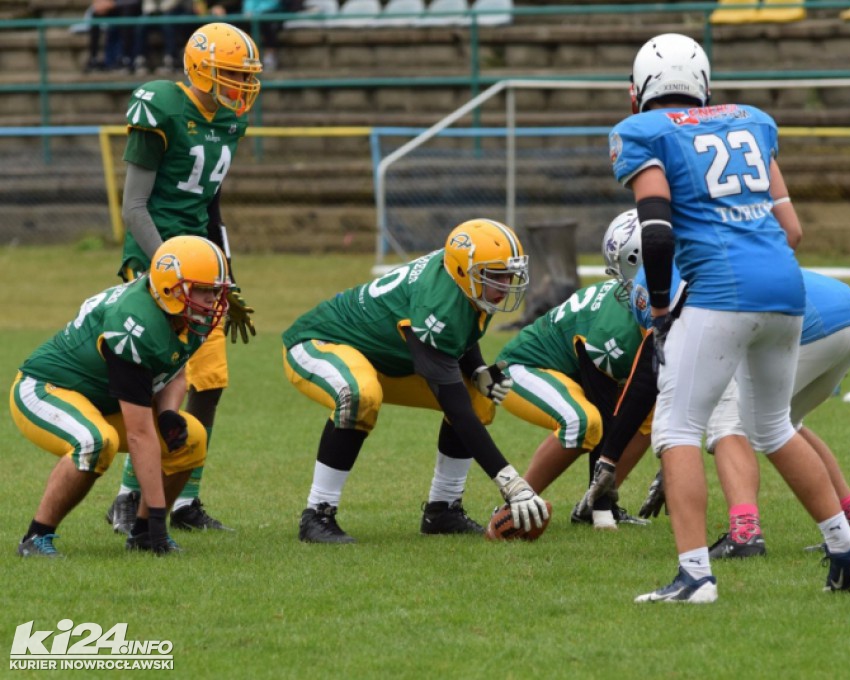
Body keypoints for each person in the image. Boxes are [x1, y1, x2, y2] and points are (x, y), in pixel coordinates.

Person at [609, 33, 850, 602]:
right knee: (774, 426)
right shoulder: (752, 121)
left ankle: (695, 575)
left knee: (677, 429)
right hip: (785, 286)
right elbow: (793, 231)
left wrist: (661, 306)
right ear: (703, 85)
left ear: (638, 92)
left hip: (721, 291)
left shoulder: (643, 132)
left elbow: (655, 232)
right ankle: (845, 549)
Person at [582, 230, 850, 557]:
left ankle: (745, 533)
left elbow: (649, 378)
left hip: (805, 322)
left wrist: (629, 459)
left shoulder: (658, 277)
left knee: (727, 426)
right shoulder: (714, 248)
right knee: (787, 425)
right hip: (848, 313)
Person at [283, 218, 549, 543]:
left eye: (510, 274)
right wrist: (511, 482)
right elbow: (455, 407)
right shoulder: (436, 301)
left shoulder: (465, 278)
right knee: (359, 395)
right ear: (464, 272)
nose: (507, 284)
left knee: (479, 398)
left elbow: (461, 330)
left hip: (383, 357)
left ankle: (443, 511)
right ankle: (317, 514)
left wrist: (478, 369)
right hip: (319, 342)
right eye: (497, 276)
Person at [105, 22, 263, 537]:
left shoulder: (229, 123)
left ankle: (185, 498)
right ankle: (130, 498)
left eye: (245, 76)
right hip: (160, 266)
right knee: (156, 389)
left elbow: (210, 203)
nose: (241, 85)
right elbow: (133, 208)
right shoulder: (162, 106)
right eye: (231, 75)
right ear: (200, 69)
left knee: (211, 384)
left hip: (204, 271)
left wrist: (225, 273)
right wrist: (167, 270)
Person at [12, 236, 230, 557]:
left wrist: (169, 412)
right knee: (95, 442)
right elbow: (141, 435)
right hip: (47, 388)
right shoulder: (134, 323)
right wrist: (161, 517)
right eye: (203, 290)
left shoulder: (183, 314)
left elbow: (174, 369)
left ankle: (141, 534)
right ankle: (36, 536)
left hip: (102, 400)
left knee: (191, 439)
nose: (212, 301)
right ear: (171, 288)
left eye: (215, 291)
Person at [496, 211, 651, 531]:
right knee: (585, 422)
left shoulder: (638, 309)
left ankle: (589, 502)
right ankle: (517, 503)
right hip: (522, 369)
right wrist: (603, 514)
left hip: (569, 375)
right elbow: (607, 414)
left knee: (649, 415)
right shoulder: (618, 329)